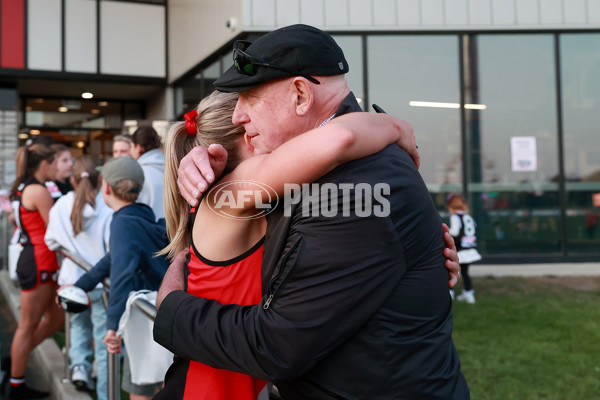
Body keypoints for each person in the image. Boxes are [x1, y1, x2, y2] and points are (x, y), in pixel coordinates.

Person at [154, 24, 468, 399]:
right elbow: (339, 139)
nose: (239, 116)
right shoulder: (275, 183)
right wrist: (393, 125)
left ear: (300, 94)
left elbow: (278, 343)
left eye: (248, 97)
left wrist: (171, 309)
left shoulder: (355, 186)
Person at [155, 90, 418, 399]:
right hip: (211, 387)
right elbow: (339, 139)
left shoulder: (256, 202)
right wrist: (396, 128)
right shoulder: (235, 189)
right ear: (247, 137)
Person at [72, 156, 168, 400]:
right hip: (164, 308)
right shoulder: (139, 217)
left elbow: (122, 274)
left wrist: (112, 326)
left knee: (139, 389)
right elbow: (113, 258)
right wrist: (82, 285)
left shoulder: (123, 224)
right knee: (166, 383)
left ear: (106, 187)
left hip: (146, 316)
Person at [44, 155, 112, 399]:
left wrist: (70, 250)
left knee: (77, 328)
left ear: (73, 180)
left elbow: (50, 241)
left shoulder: (61, 204)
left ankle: (80, 371)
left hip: (71, 281)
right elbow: (111, 248)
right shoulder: (107, 205)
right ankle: (106, 392)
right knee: (104, 341)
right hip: (101, 283)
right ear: (99, 178)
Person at [8, 144, 63, 399]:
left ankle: (15, 362)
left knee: (56, 319)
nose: (56, 168)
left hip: (36, 258)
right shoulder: (38, 190)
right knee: (26, 326)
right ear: (45, 164)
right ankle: (16, 383)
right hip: (39, 261)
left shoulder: (22, 187)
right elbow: (55, 230)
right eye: (54, 162)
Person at [447, 194, 481, 304]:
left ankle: (450, 293)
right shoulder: (468, 217)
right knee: (465, 272)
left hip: (460, 250)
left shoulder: (455, 217)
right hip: (469, 248)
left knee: (450, 272)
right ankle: (469, 293)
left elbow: (455, 232)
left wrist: (446, 232)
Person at [130, 127, 165, 220]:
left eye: (131, 147)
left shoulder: (137, 173)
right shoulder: (172, 167)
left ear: (138, 148)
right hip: (174, 229)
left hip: (149, 229)